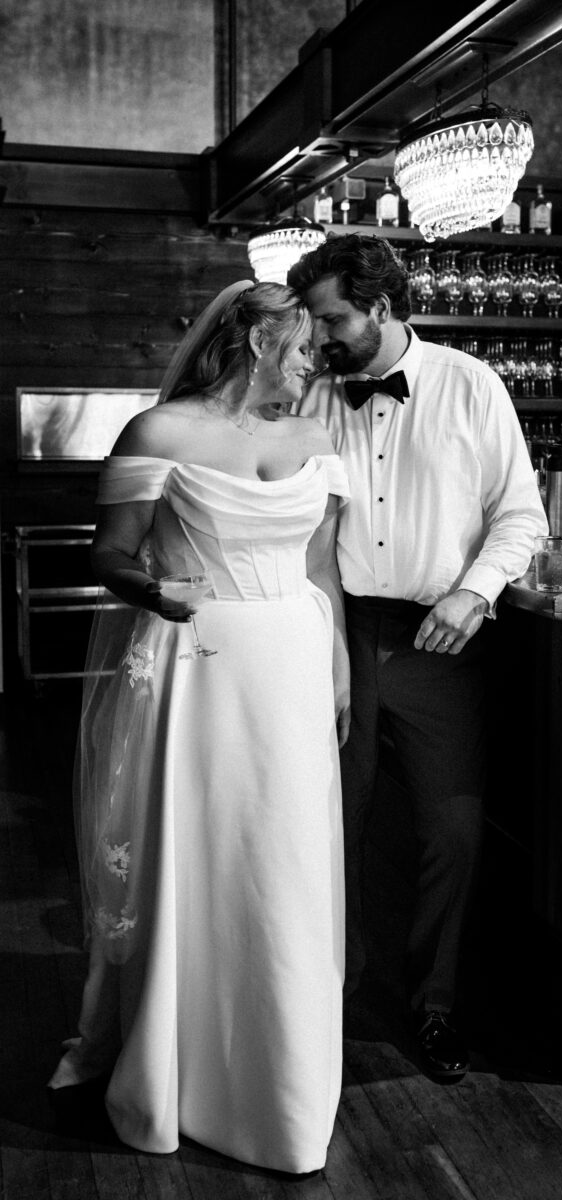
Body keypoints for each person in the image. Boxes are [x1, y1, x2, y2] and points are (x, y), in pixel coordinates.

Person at [48, 280, 350, 1175]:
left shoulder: (312, 437)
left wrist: (336, 671)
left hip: (295, 665)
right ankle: (184, 1070)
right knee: (208, 857)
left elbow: (322, 570)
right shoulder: (161, 434)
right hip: (204, 665)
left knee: (288, 863)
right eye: (301, 348)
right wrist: (153, 589)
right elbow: (109, 552)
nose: (311, 365)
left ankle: (286, 1076)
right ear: (256, 340)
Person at [287, 234, 547, 1082]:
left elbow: (522, 515)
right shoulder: (316, 396)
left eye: (332, 319)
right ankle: (328, 996)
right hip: (342, 635)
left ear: (382, 310)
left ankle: (433, 1006)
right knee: (333, 827)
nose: (319, 337)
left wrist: (474, 592)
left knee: (452, 831)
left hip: (444, 642)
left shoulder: (473, 386)